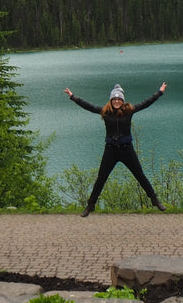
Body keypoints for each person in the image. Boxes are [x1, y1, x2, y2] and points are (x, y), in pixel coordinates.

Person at [63, 81, 168, 216]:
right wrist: (73, 97)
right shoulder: (105, 112)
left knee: (140, 175)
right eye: (115, 99)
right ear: (111, 100)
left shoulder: (129, 110)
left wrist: (159, 92)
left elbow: (146, 102)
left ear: (122, 101)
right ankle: (90, 206)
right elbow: (88, 106)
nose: (117, 101)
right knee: (101, 178)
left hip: (126, 149)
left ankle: (155, 200)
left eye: (119, 99)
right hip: (111, 150)